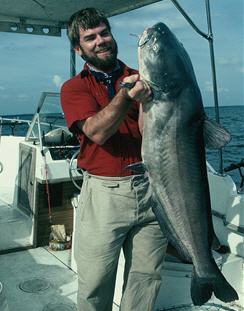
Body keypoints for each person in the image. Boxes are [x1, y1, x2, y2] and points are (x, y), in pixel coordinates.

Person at [60, 7, 167, 311]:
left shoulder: (143, 77)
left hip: (151, 191)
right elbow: (96, 132)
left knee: (145, 280)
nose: (100, 41)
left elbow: (154, 133)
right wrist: (126, 96)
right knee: (95, 282)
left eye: (104, 33)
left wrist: (147, 100)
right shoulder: (74, 88)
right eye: (90, 38)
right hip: (105, 196)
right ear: (78, 49)